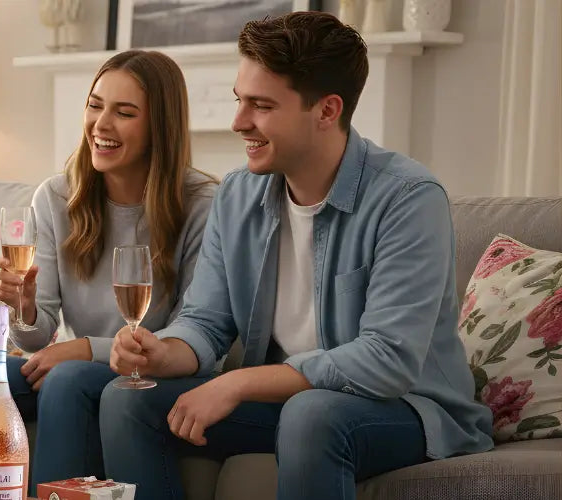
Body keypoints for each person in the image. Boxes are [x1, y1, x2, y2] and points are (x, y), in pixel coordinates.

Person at [101, 12, 494, 500]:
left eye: (261, 106)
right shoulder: (238, 196)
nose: (239, 122)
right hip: (292, 406)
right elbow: (204, 321)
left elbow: (387, 359)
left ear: (327, 110)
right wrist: (164, 350)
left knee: (313, 413)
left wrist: (239, 383)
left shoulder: (408, 198)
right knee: (127, 400)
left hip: (406, 408)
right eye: (239, 100)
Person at [0, 49, 218, 486]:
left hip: (157, 375)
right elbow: (35, 338)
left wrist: (86, 349)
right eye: (94, 105)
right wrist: (25, 309)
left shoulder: (202, 204)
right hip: (77, 363)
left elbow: (190, 335)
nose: (101, 125)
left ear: (159, 126)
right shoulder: (55, 197)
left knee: (67, 380)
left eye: (124, 113)